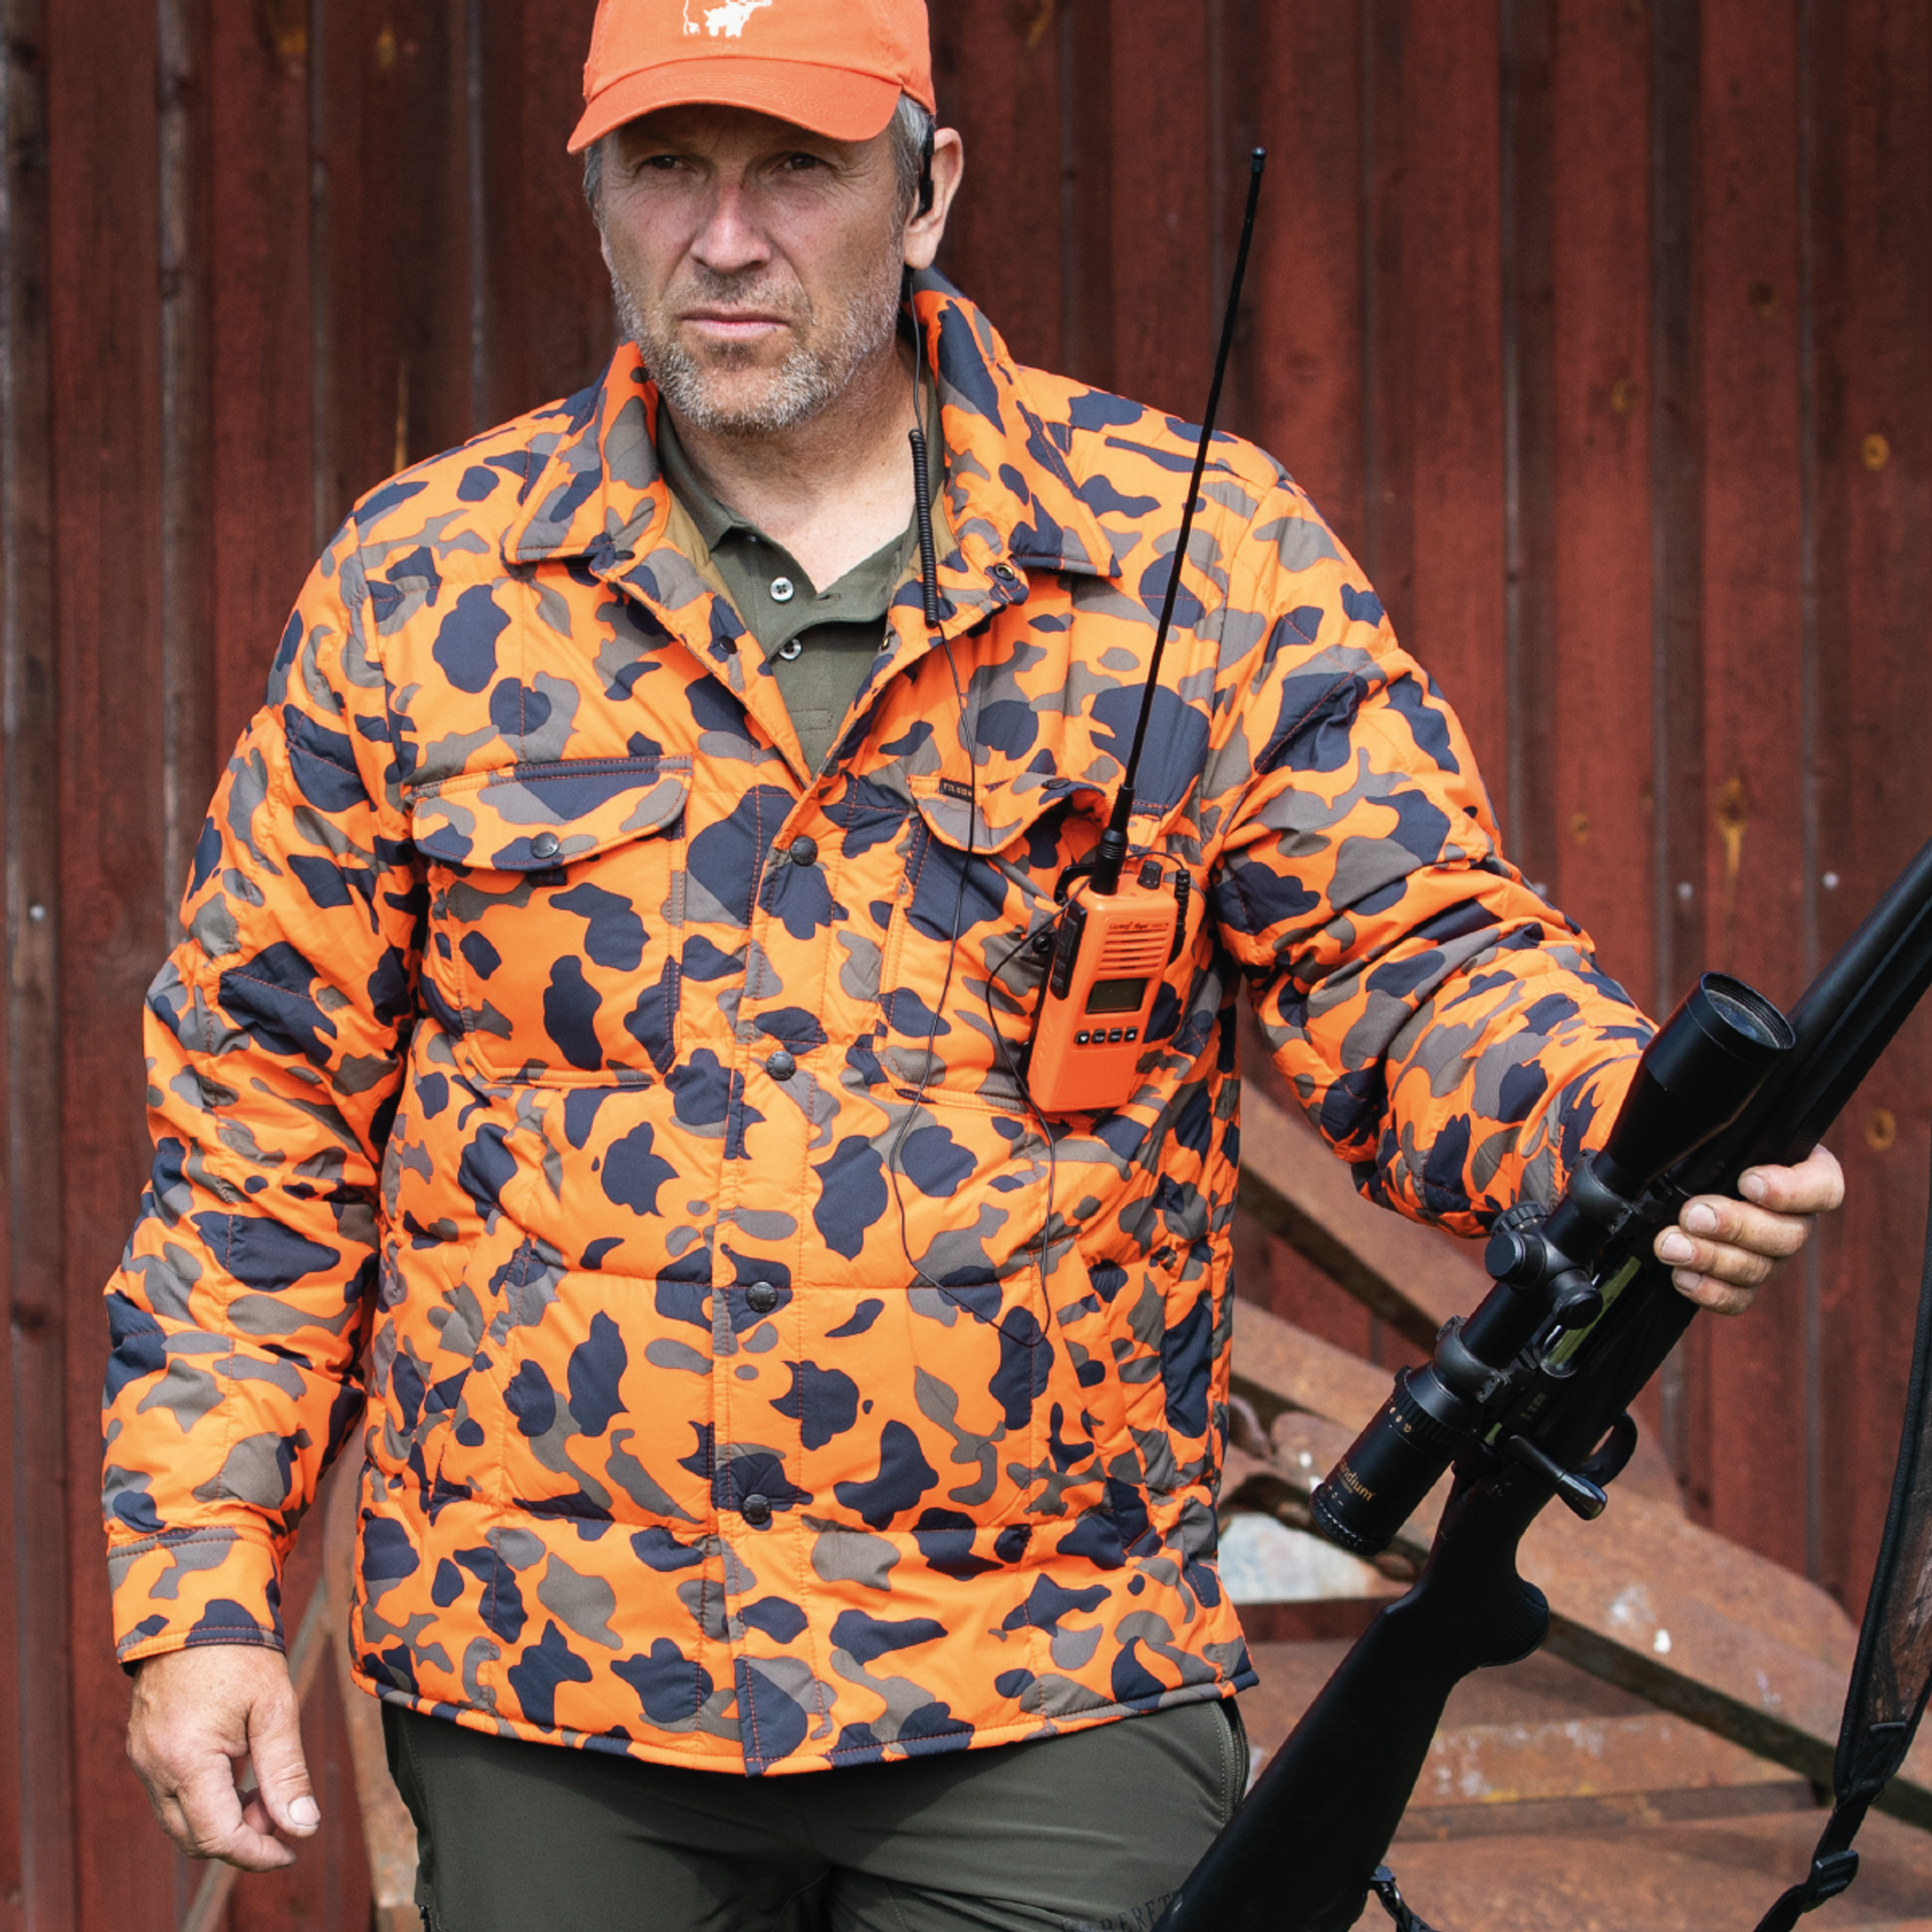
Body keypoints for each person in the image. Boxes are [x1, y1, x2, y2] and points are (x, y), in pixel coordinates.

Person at [109, 2, 1843, 1925]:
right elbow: (258, 1128)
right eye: (669, 167)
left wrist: (1623, 1126)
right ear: (594, 194)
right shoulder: (426, 586)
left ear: (926, 188)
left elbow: (1411, 951)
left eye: (797, 167)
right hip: (557, 1685)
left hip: (1040, 1681)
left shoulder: (1189, 555)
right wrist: (197, 1592)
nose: (726, 237)